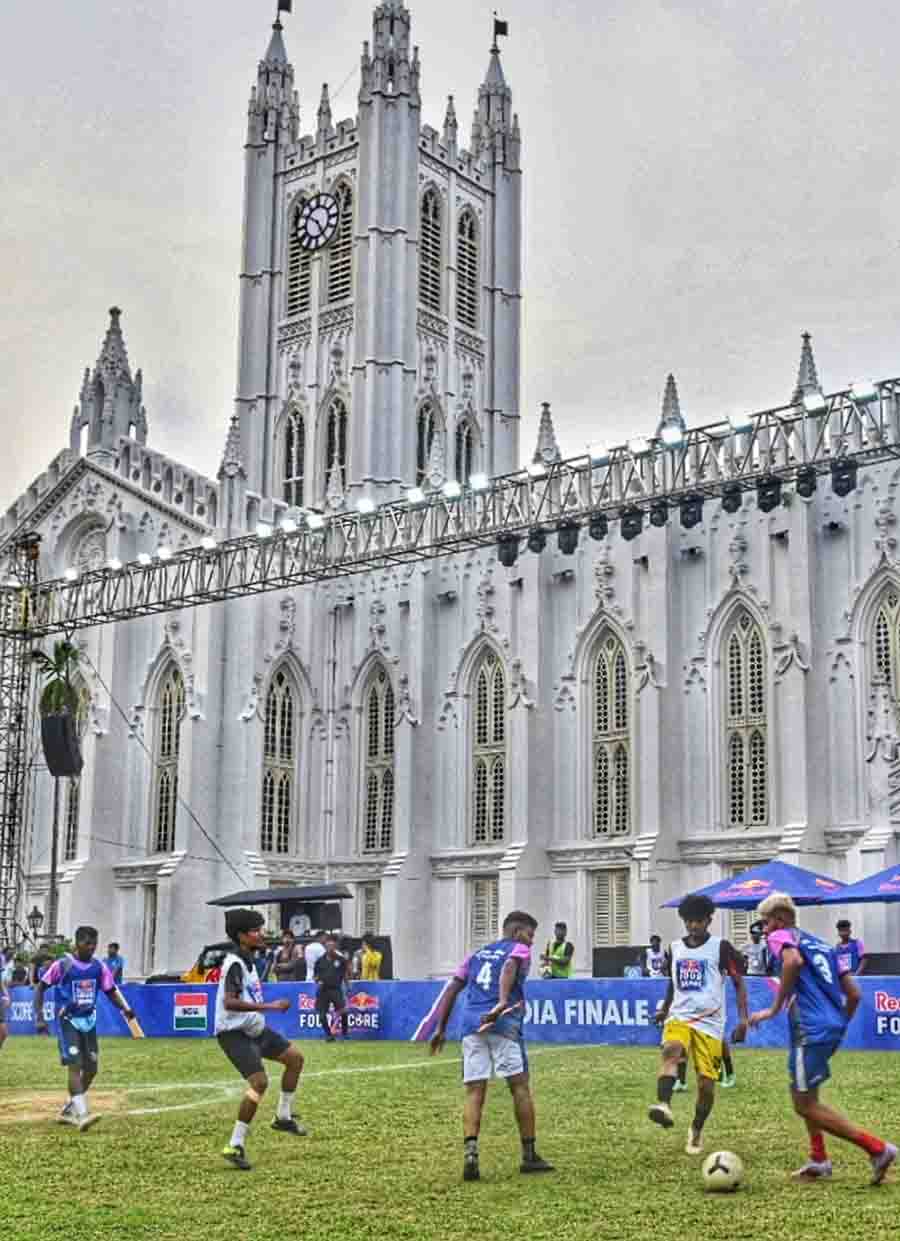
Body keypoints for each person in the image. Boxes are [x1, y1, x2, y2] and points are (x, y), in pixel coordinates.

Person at [749, 891, 895, 1184]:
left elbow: (791, 963)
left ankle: (878, 1149)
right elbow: (854, 993)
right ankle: (819, 1159)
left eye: (765, 923)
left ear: (780, 919)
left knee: (804, 1103)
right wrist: (838, 1024)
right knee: (803, 1091)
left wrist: (774, 1008)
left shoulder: (781, 937)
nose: (764, 931)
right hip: (830, 1025)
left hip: (810, 1028)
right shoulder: (823, 945)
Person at [430, 910, 553, 1183]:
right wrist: (501, 1001)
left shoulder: (475, 955)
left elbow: (451, 989)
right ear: (517, 931)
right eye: (530, 935)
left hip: (471, 1026)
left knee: (475, 1090)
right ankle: (529, 1155)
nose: (532, 942)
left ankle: (471, 1154)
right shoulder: (518, 949)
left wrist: (440, 1029)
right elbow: (510, 966)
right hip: (502, 1023)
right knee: (519, 1087)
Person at [649, 893, 748, 1155]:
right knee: (671, 1051)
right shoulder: (675, 948)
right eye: (688, 921)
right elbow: (672, 982)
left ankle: (696, 1129)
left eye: (698, 921)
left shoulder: (721, 947)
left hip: (710, 1023)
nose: (693, 926)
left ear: (708, 920)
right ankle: (663, 1105)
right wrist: (666, 1009)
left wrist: (744, 1019)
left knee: (705, 1085)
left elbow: (738, 983)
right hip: (679, 1016)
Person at [215, 909, 307, 1171]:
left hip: (253, 1028)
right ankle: (235, 1144)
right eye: (256, 930)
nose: (262, 934)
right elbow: (229, 1002)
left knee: (295, 1059)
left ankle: (283, 1117)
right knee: (259, 1082)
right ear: (242, 936)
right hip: (233, 1032)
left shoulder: (249, 960)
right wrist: (270, 1006)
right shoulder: (234, 963)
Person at [33, 925, 137, 1131]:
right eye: (87, 943)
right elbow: (40, 987)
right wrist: (40, 1017)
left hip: (88, 1022)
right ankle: (82, 1114)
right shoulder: (62, 965)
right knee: (75, 1064)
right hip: (68, 1021)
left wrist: (125, 1009)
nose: (91, 948)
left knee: (91, 1069)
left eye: (94, 944)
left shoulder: (99, 967)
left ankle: (70, 1108)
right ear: (77, 943)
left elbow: (110, 991)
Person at [314, 936, 350, 1041]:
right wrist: (317, 981)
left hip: (336, 989)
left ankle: (345, 1033)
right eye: (328, 945)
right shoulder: (319, 961)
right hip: (323, 990)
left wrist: (347, 986)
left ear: (335, 946)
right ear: (325, 946)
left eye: (332, 945)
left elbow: (345, 975)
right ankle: (329, 1035)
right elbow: (315, 976)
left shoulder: (341, 960)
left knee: (344, 1012)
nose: (330, 947)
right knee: (321, 1015)